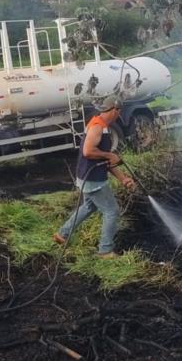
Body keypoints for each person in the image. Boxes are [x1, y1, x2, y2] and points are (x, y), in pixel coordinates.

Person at [53, 96, 136, 259]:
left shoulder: (102, 126)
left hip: (88, 176)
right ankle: (105, 250)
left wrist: (123, 178)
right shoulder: (97, 127)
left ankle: (62, 234)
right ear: (115, 110)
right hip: (92, 178)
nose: (119, 115)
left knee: (89, 206)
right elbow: (88, 152)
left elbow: (105, 160)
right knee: (112, 211)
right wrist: (110, 155)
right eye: (119, 112)